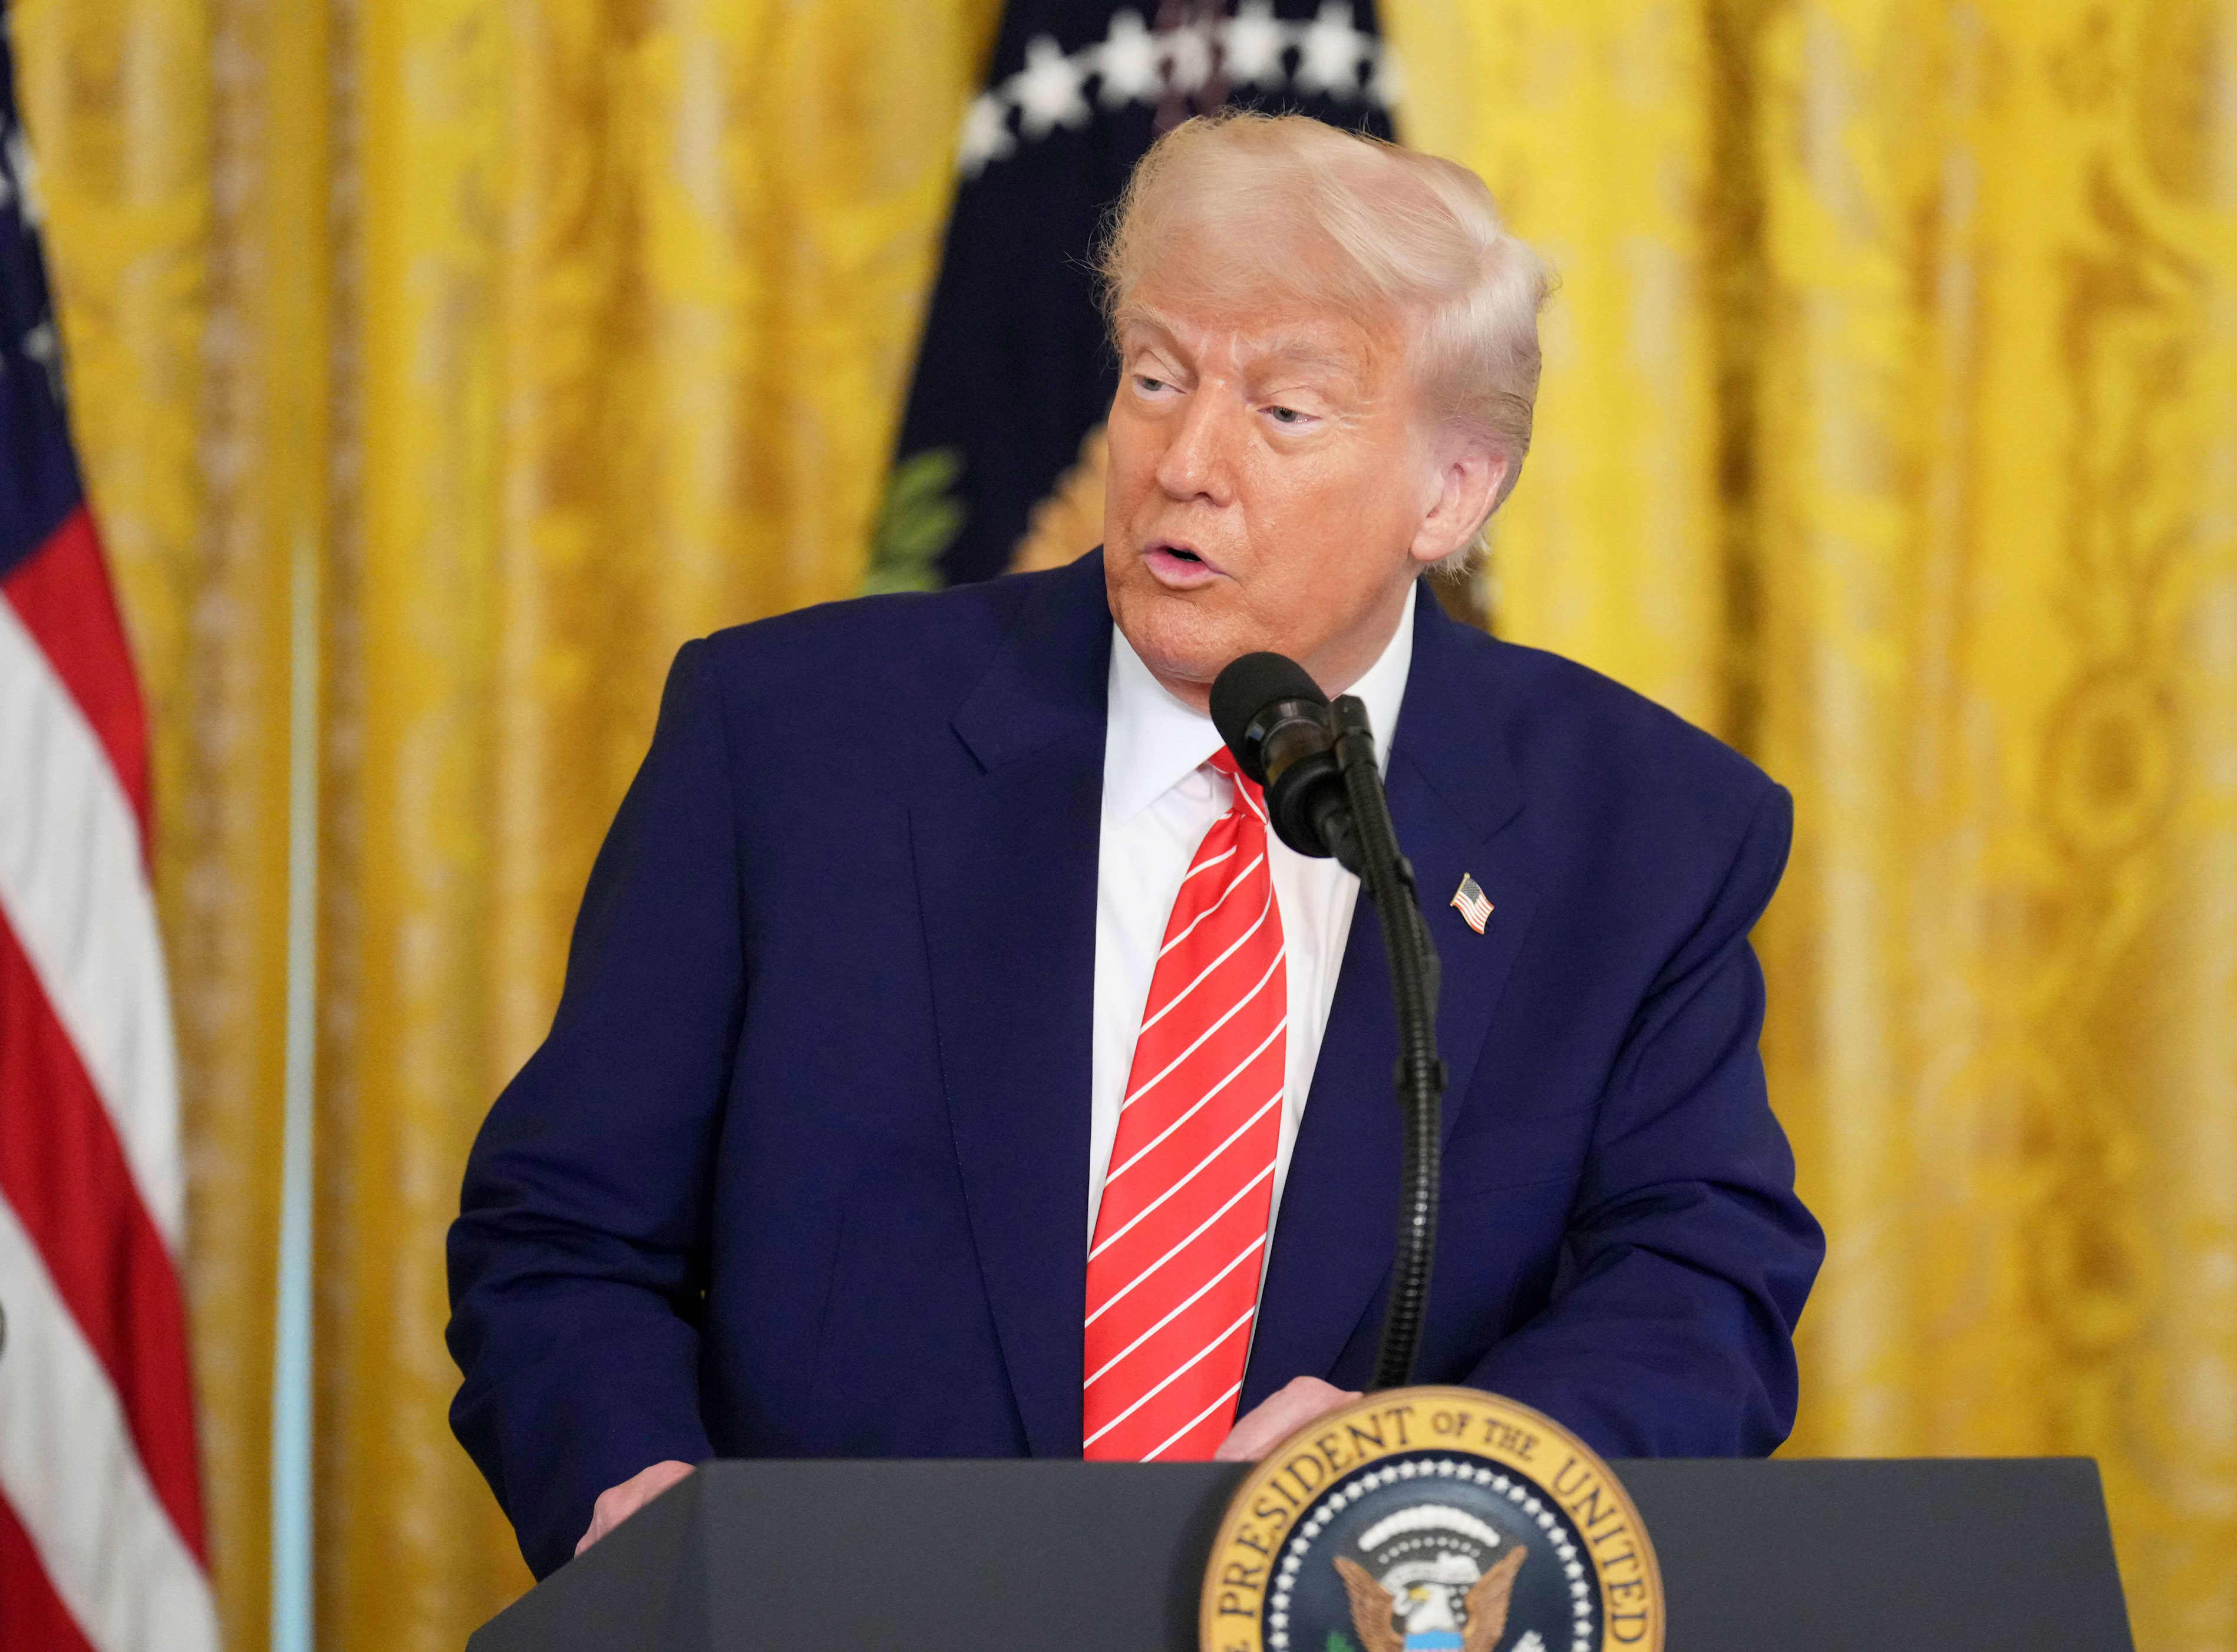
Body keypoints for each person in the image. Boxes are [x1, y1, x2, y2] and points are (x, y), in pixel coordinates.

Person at [446, 112, 1824, 1581]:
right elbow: (565, 1233)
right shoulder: (792, 740)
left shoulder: (1646, 830)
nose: (1185, 461)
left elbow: (1699, 1283)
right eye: (1157, 378)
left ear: (1451, 493)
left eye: (1286, 412)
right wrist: (642, 1509)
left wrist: (1429, 1482)